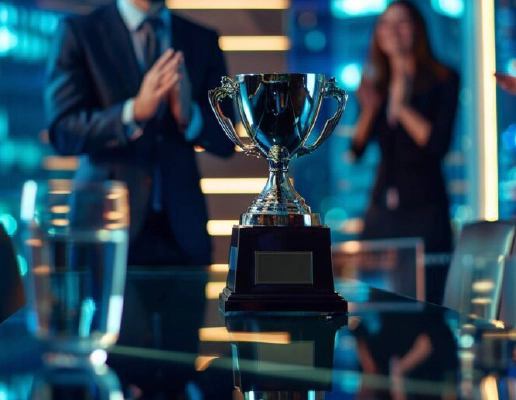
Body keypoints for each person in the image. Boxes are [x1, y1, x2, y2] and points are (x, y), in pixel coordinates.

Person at [44, 0, 234, 266]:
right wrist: (132, 113)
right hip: (105, 227)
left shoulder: (201, 38)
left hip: (184, 233)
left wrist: (189, 116)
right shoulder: (80, 32)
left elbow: (227, 140)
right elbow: (63, 131)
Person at [351, 0, 460, 303]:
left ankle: (420, 351)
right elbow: (355, 151)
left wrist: (401, 106)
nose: (393, 31)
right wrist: (371, 109)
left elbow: (437, 145)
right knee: (376, 301)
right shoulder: (375, 84)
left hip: (425, 209)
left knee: (427, 300)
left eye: (402, 23)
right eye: (386, 23)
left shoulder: (443, 79)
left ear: (417, 30)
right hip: (381, 211)